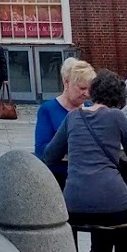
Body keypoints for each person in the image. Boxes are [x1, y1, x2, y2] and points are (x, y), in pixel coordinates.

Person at [43, 68, 127, 252]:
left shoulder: (73, 117)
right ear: (119, 98)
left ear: (93, 92)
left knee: (99, 209)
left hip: (74, 203)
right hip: (114, 201)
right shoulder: (118, 117)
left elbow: (49, 155)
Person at [35, 58, 94, 186]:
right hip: (59, 176)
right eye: (82, 88)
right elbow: (41, 151)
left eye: (89, 89)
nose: (87, 94)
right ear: (66, 84)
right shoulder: (48, 109)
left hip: (88, 174)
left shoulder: (90, 107)